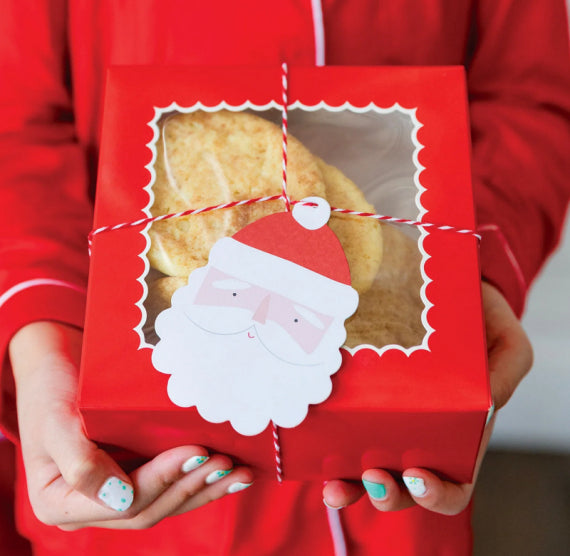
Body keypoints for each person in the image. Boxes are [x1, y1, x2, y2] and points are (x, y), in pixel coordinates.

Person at [1, 1, 568, 554]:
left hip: (388, 451)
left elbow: (527, 98)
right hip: (136, 427)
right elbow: (17, 121)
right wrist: (46, 331)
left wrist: (474, 282)